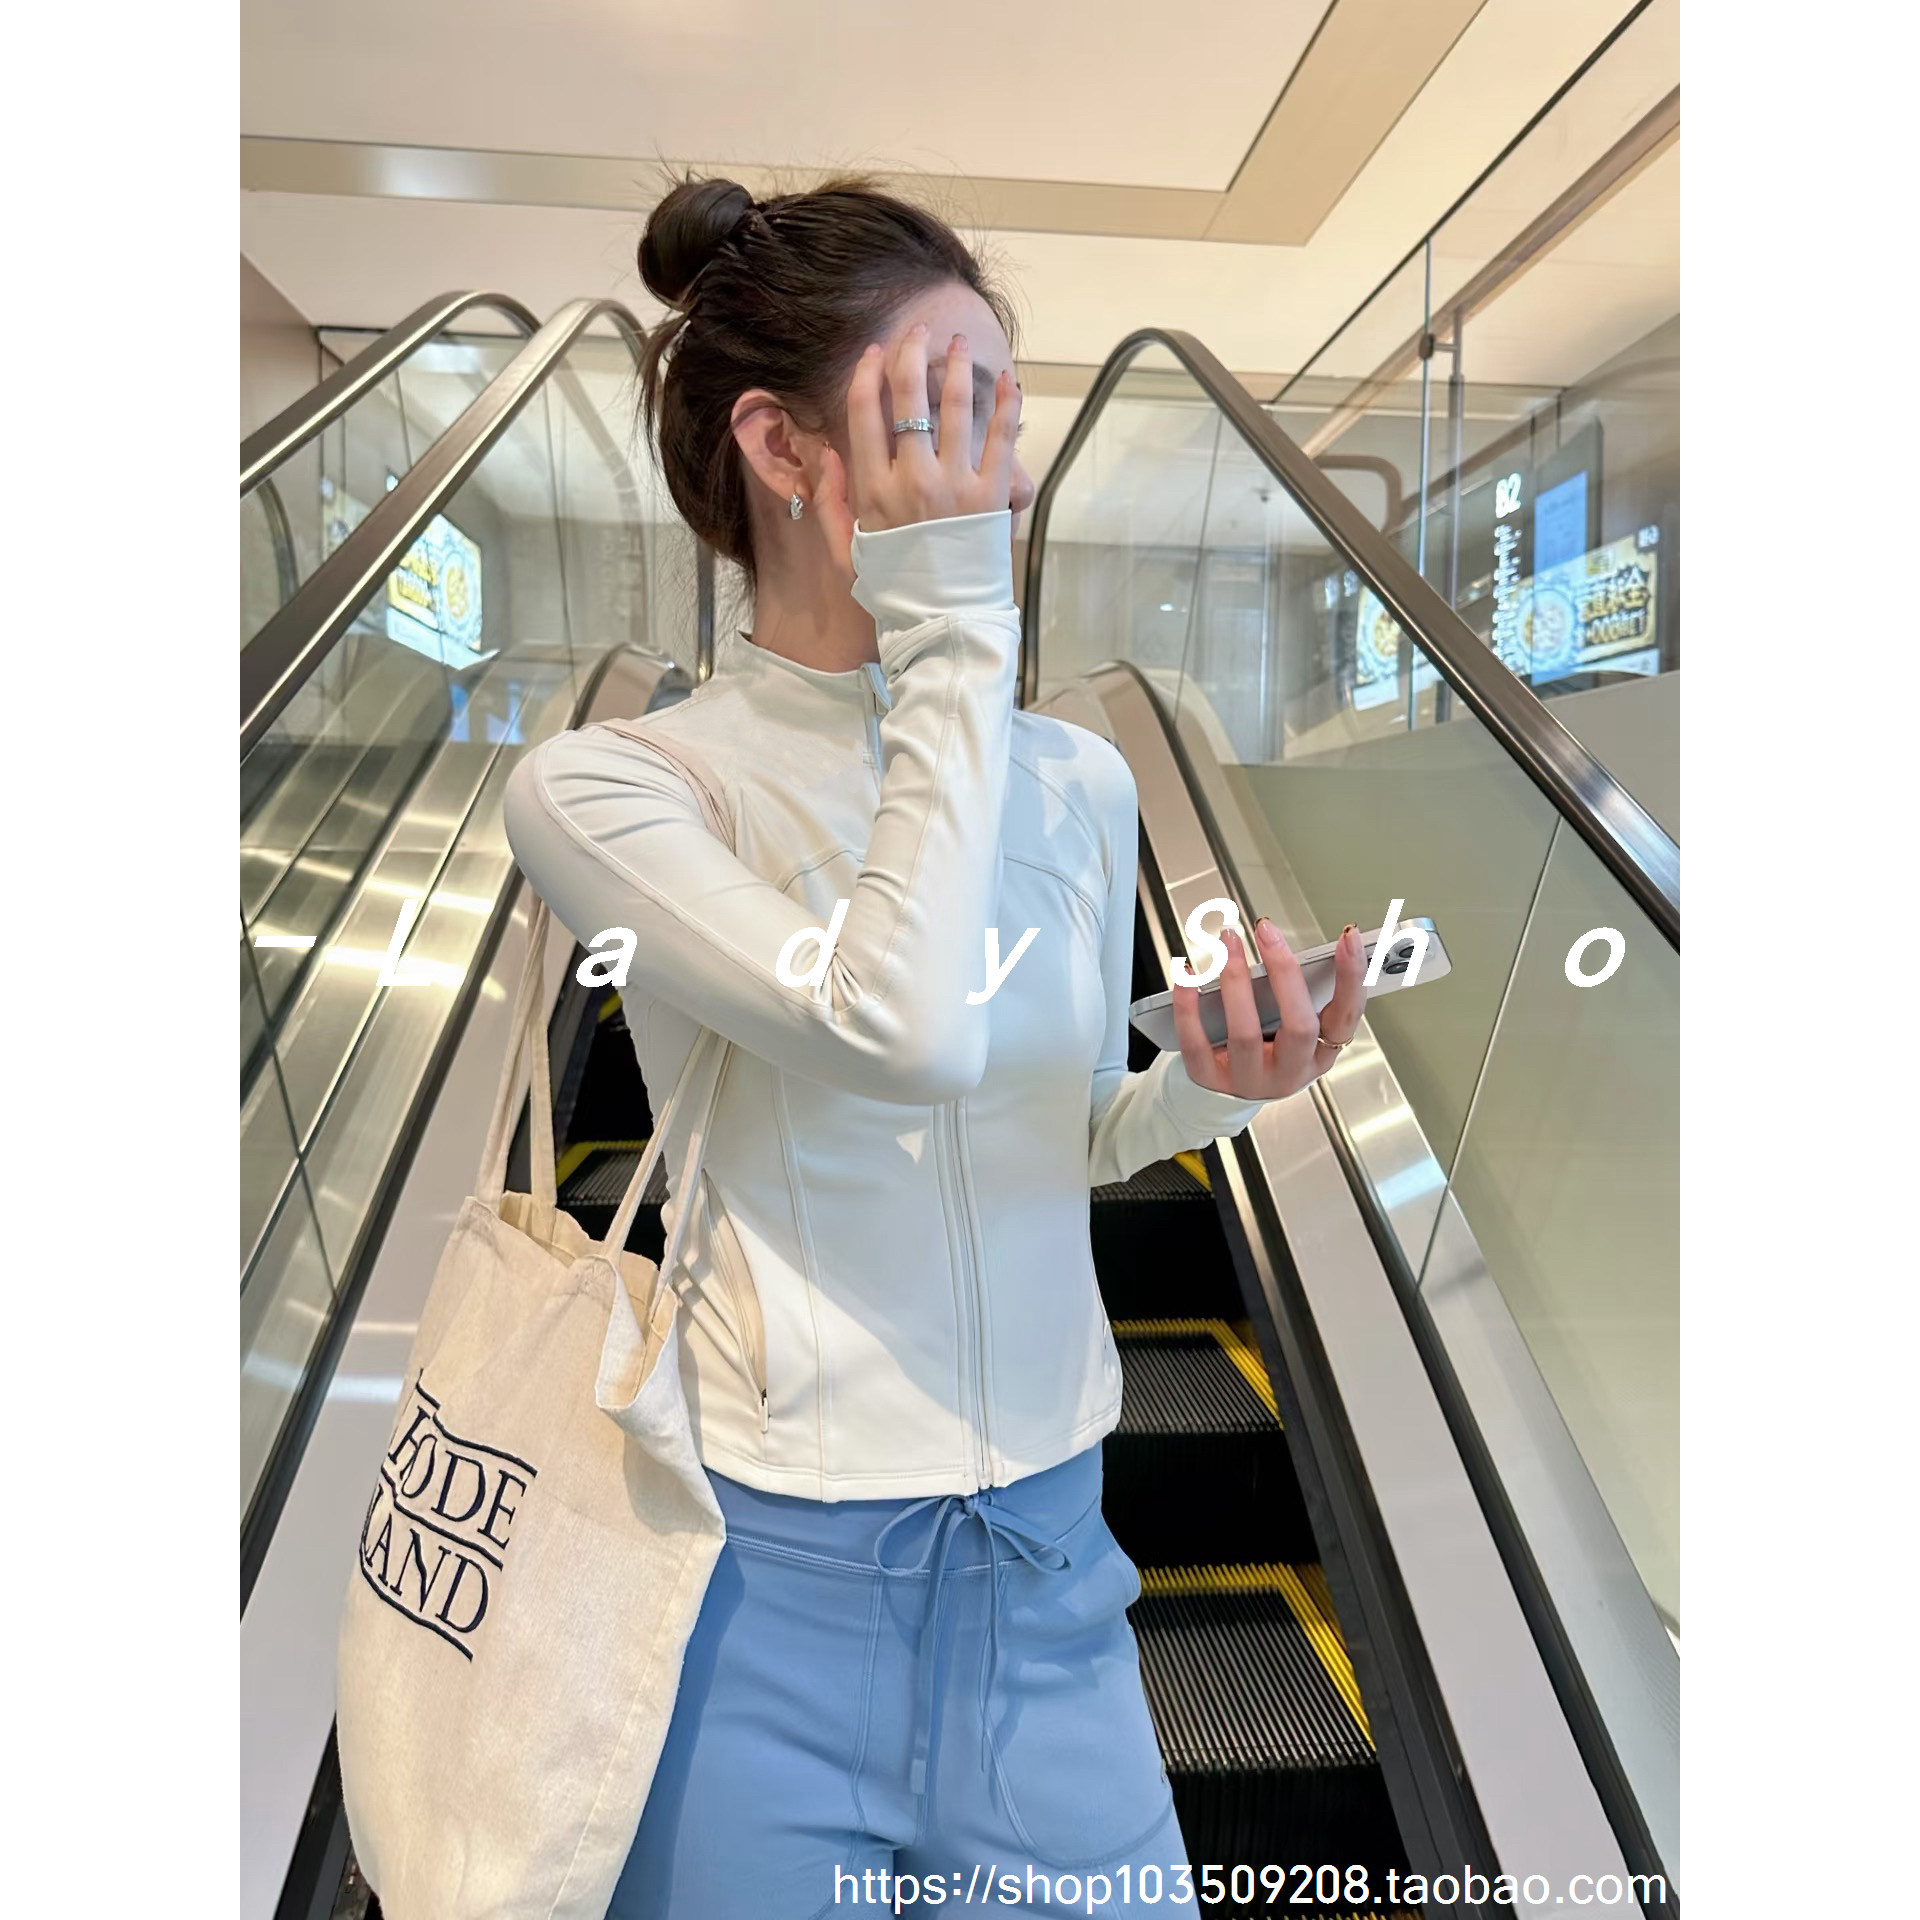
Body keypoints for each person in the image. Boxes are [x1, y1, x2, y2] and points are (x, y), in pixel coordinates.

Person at [501, 172, 1368, 1920]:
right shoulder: (624, 787)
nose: (1005, 481)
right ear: (782, 446)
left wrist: (1211, 1087)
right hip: (758, 1599)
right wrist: (958, 630)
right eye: (947, 414)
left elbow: (1058, 1123)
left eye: (1007, 423)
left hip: (1051, 1583)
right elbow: (888, 1030)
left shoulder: (1076, 780)